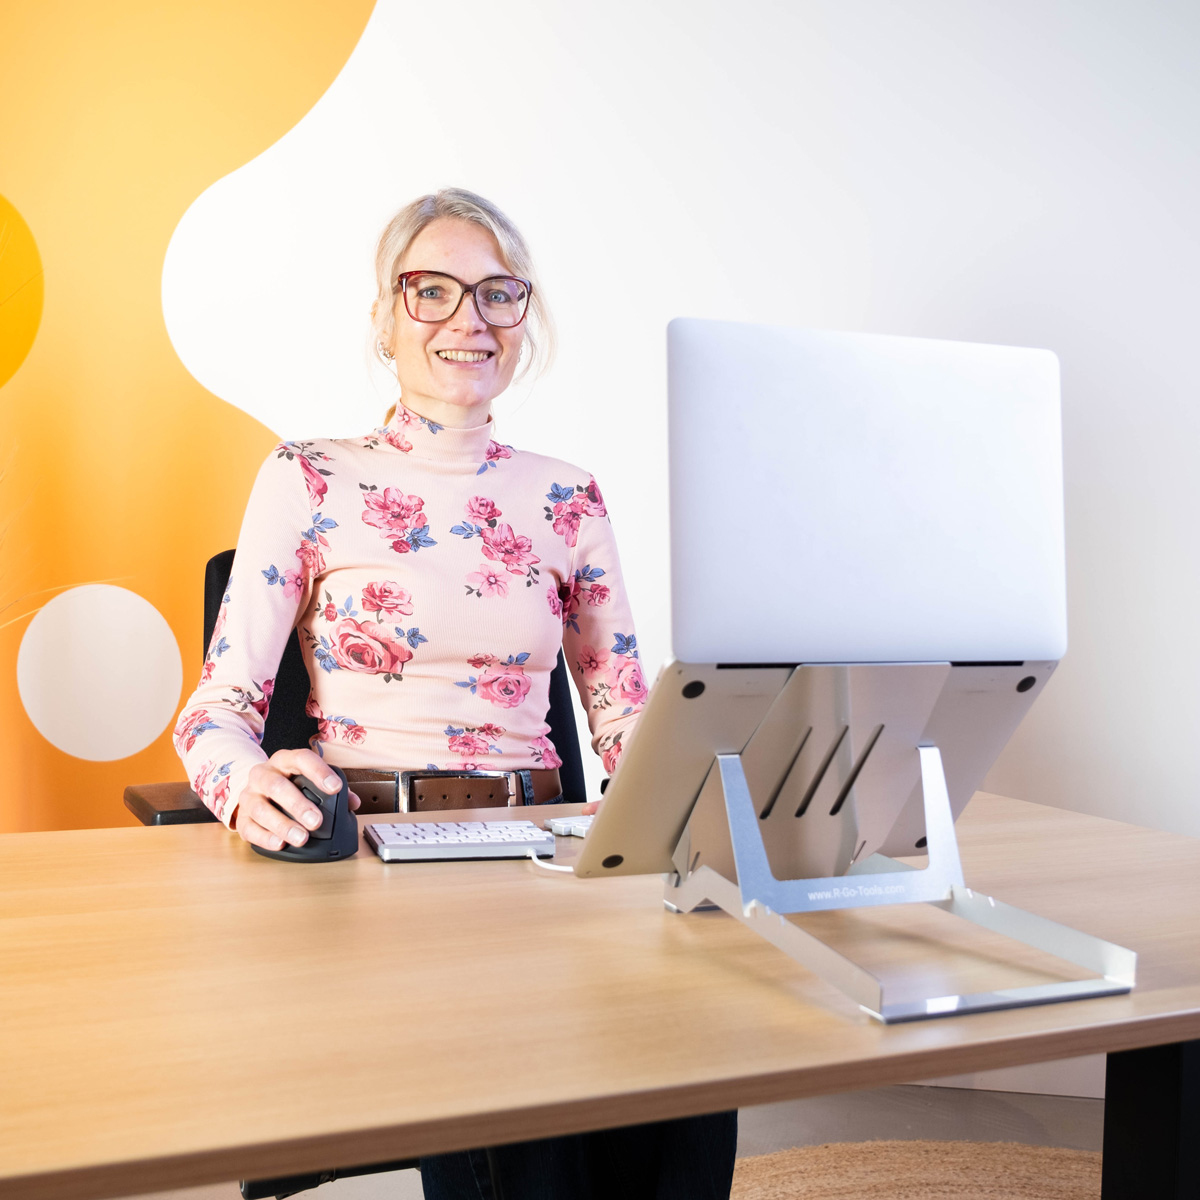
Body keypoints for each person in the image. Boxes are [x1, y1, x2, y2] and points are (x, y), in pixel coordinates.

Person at [173, 188, 736, 1199]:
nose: (467, 319)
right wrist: (248, 785)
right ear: (384, 320)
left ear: (524, 318)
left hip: (546, 851)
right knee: (523, 1089)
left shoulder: (567, 495)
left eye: (497, 294)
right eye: (430, 291)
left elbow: (623, 715)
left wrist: (693, 793)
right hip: (380, 860)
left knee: (695, 1047)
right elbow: (215, 714)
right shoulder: (308, 478)